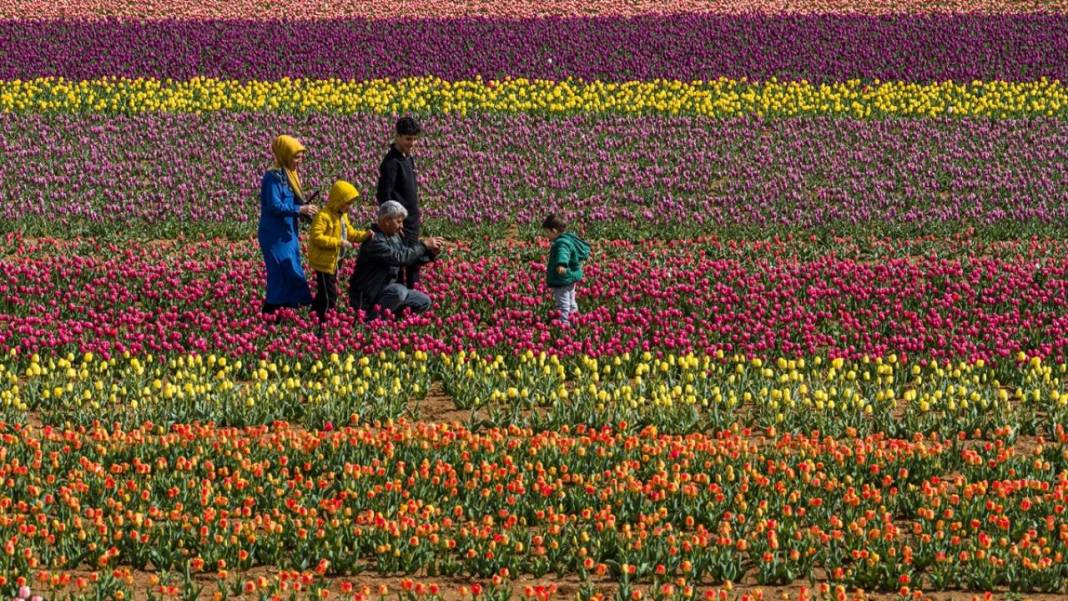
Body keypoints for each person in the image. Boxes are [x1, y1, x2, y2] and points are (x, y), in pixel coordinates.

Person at [349, 201, 444, 321]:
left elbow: (407, 258)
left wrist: (430, 254)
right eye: (399, 221)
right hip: (369, 294)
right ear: (387, 220)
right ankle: (371, 323)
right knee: (399, 291)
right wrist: (423, 245)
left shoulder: (394, 237)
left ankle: (390, 320)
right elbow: (398, 257)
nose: (402, 226)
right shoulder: (374, 240)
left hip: (387, 291)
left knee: (423, 301)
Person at [259, 135, 319, 315]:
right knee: (280, 272)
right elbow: (274, 205)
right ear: (284, 154)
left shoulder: (290, 175)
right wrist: (299, 209)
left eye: (300, 156)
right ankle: (271, 313)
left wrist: (304, 211)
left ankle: (288, 313)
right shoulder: (273, 177)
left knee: (293, 268)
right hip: (274, 234)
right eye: (295, 156)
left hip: (288, 233)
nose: (299, 161)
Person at [308, 180, 372, 327]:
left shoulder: (342, 216)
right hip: (323, 263)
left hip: (335, 260)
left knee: (323, 293)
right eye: (348, 203)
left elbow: (349, 232)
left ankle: (313, 316)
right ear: (339, 200)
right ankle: (324, 323)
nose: (349, 207)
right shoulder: (323, 216)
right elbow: (316, 237)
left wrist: (365, 235)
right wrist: (338, 242)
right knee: (329, 295)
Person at [375, 116, 423, 289]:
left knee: (413, 263)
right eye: (408, 139)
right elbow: (384, 195)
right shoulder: (391, 163)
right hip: (400, 224)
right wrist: (394, 222)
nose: (412, 143)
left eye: (414, 138)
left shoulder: (407, 158)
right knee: (400, 263)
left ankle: (412, 299)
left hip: (411, 221)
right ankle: (403, 302)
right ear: (397, 136)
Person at [542, 213, 590, 325]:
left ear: (553, 231)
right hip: (571, 277)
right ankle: (575, 320)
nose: (546, 236)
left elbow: (563, 253)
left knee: (562, 304)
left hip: (562, 279)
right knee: (571, 301)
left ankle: (563, 325)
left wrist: (561, 264)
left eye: (547, 232)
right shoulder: (569, 238)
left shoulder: (561, 243)